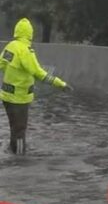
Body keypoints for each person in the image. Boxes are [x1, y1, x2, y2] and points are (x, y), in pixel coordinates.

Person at [0, 18, 71, 154]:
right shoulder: (26, 51)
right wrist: (60, 84)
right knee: (20, 130)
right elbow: (39, 74)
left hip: (6, 96)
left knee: (13, 128)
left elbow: (1, 64)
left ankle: (12, 152)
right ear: (30, 33)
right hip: (19, 98)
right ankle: (20, 159)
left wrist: (13, 73)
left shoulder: (10, 46)